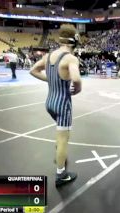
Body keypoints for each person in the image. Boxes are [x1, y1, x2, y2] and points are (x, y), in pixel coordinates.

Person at [29, 24, 82, 187]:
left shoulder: (49, 55)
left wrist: (51, 80)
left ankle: (60, 155)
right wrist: (77, 89)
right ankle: (61, 174)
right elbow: (76, 78)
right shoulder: (71, 58)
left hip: (50, 102)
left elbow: (33, 70)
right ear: (75, 40)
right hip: (63, 104)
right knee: (63, 139)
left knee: (61, 135)